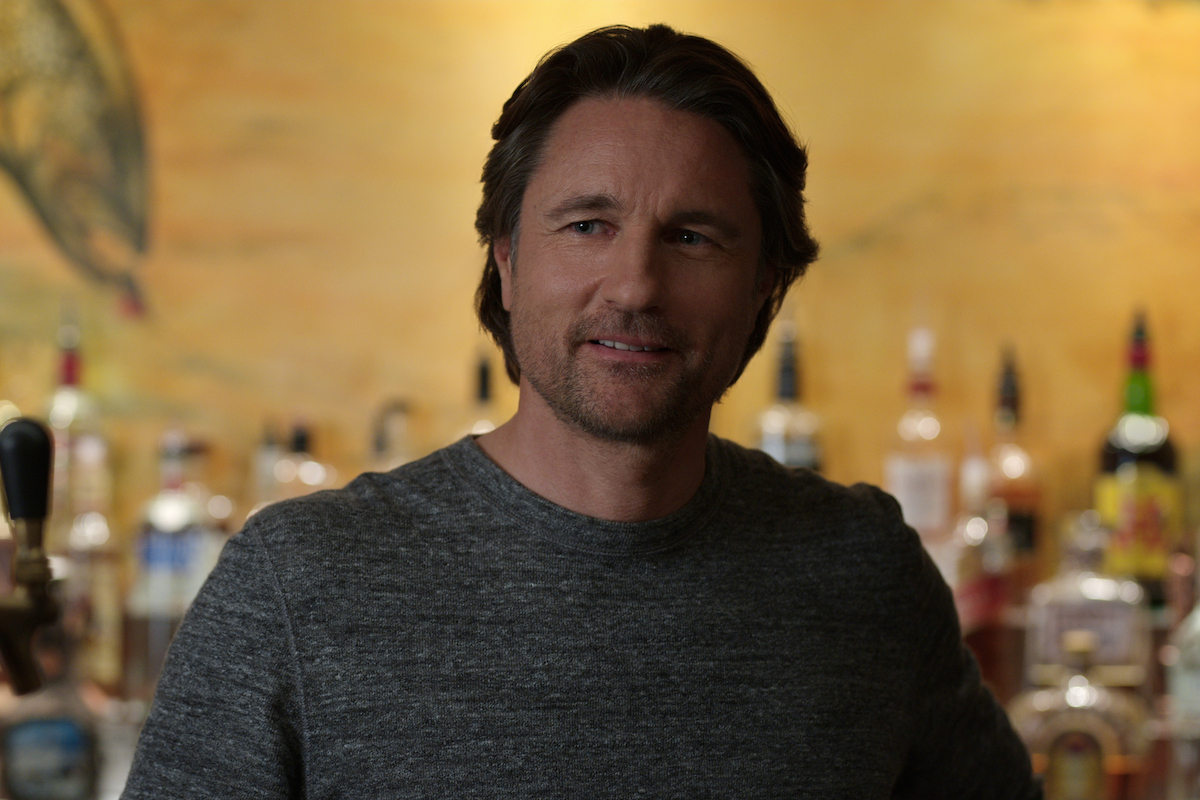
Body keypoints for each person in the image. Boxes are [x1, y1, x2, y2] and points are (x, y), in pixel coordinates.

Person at [121, 24, 1041, 799]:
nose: (636, 285)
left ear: (767, 287)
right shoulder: (295, 585)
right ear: (507, 261)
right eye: (587, 225)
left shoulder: (865, 574)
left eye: (692, 237)